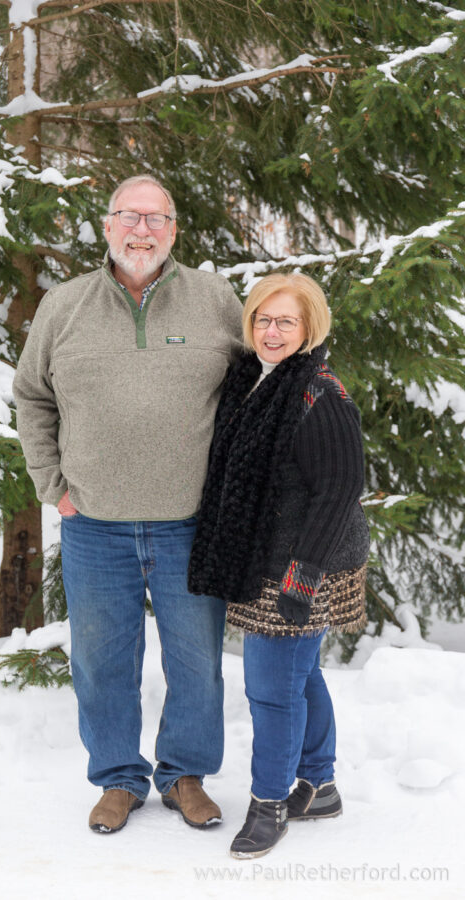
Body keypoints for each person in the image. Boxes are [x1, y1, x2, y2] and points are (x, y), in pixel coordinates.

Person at [13, 175, 243, 834]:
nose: (142, 230)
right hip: (95, 525)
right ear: (107, 227)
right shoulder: (65, 304)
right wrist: (51, 486)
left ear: (174, 230)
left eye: (157, 218)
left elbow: (257, 377)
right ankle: (117, 777)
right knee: (102, 659)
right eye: (130, 217)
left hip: (190, 524)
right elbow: (32, 395)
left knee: (196, 661)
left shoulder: (214, 299)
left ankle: (184, 775)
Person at [188, 273, 370, 858]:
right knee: (299, 675)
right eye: (264, 319)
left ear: (309, 326)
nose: (272, 331)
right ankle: (318, 784)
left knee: (272, 688)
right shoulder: (254, 380)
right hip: (263, 557)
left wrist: (302, 577)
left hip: (303, 566)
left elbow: (339, 490)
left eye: (286, 321)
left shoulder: (320, 392)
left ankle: (269, 803)